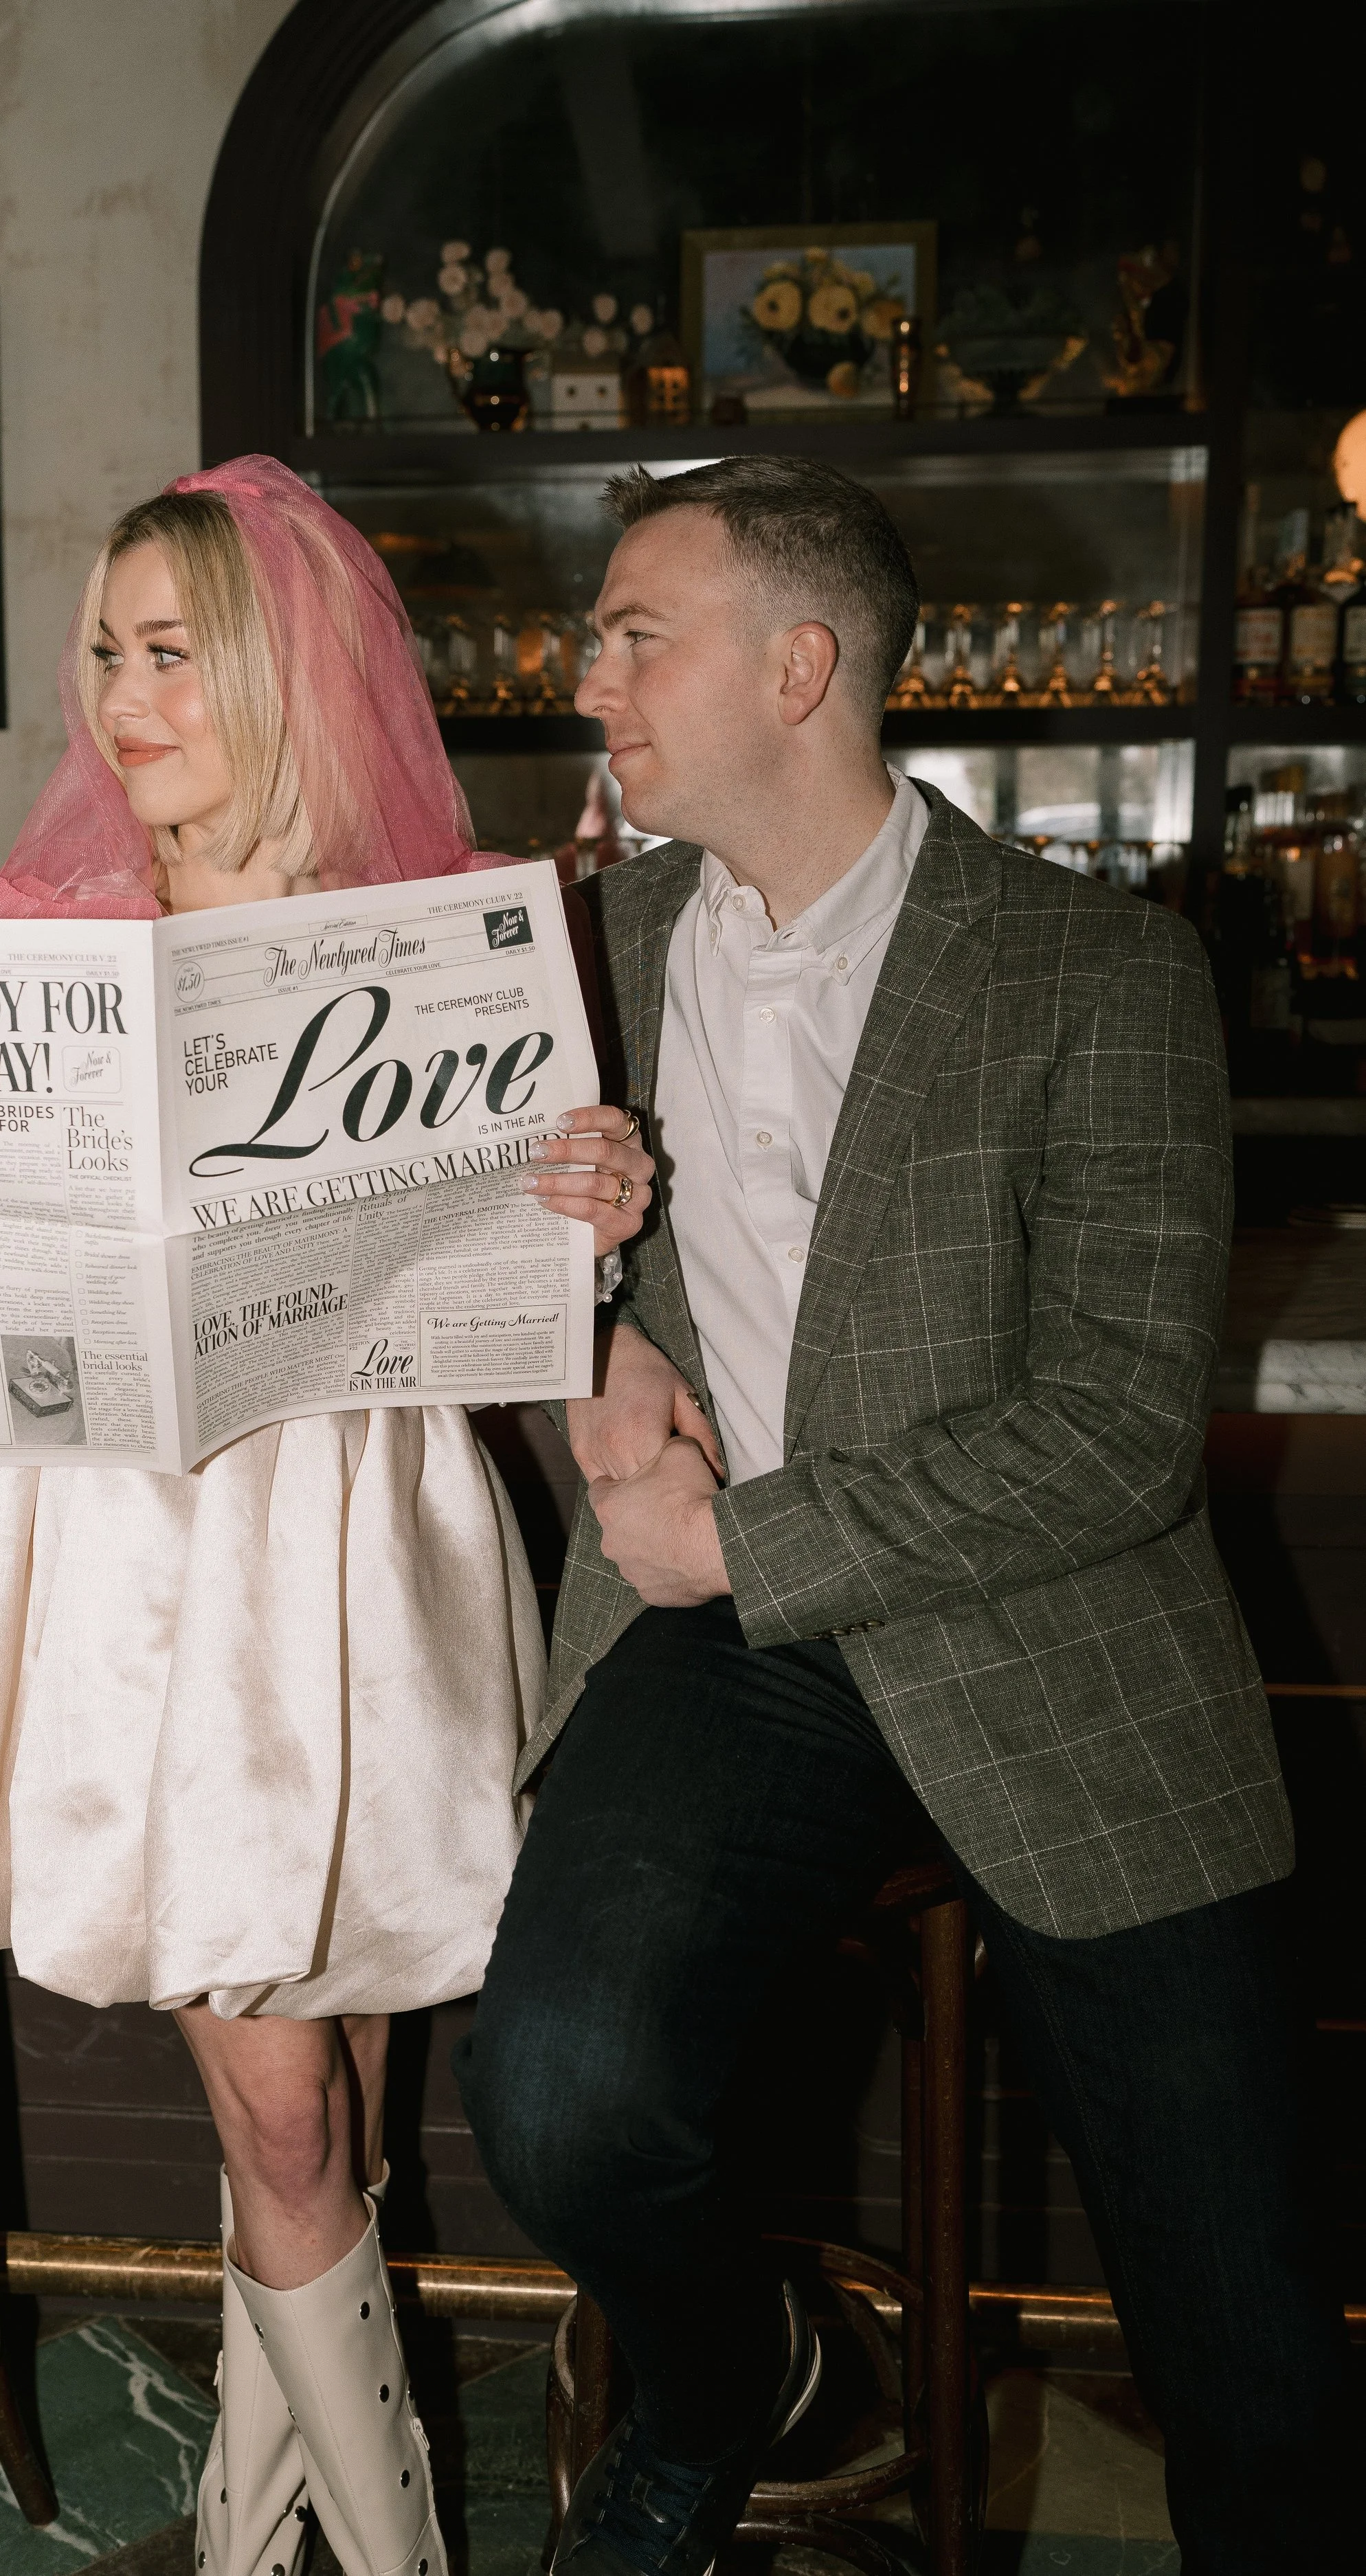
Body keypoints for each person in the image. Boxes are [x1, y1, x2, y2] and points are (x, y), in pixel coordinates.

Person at [0, 455, 655, 2576]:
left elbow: (518, 1310)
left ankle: (241, 2522)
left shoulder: (441, 927)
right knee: (286, 2105)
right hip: (122, 1554)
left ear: (291, 668)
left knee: (340, 2100)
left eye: (168, 651)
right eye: (103, 651)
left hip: (355, 1540)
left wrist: (590, 1207)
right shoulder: (29, 944)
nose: (120, 697)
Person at [454, 455, 1352, 2576]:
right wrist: (589, 1343)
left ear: (798, 665)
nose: (588, 675)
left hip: (1053, 1640)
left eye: (630, 632)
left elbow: (1113, 1436)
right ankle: (717, 2379)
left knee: (1256, 2369)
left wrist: (742, 1544)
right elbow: (517, 1255)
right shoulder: (591, 940)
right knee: (560, 2109)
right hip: (730, 1652)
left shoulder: (1099, 974)